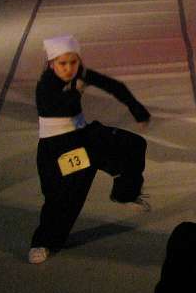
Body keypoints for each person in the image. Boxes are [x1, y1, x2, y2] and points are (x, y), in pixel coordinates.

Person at [29, 35, 150, 265]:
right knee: (61, 199)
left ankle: (125, 193)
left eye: (73, 62)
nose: (68, 68)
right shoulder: (45, 85)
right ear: (51, 64)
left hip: (84, 137)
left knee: (134, 144)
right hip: (58, 148)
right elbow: (60, 106)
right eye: (62, 64)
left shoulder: (79, 74)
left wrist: (138, 111)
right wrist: (76, 91)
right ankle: (42, 242)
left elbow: (114, 86)